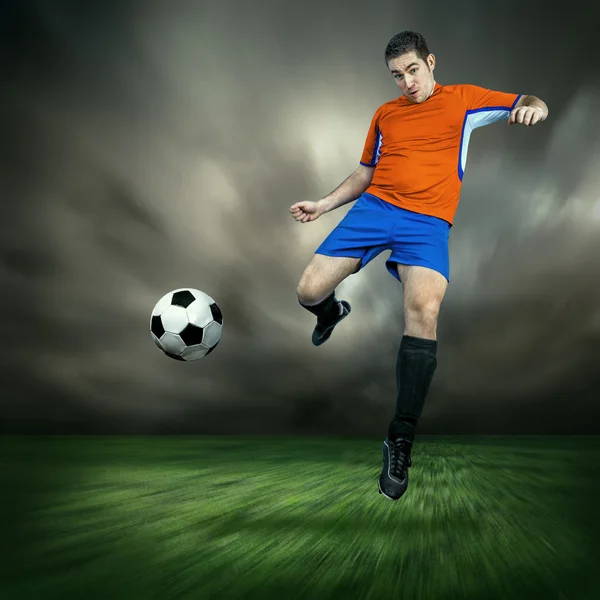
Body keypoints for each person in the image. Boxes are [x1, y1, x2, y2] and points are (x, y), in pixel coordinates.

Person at [289, 30, 548, 501]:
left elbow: (528, 100)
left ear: (430, 61)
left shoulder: (464, 100)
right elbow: (366, 171)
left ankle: (400, 439)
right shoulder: (385, 115)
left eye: (412, 70)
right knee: (307, 290)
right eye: (396, 75)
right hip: (375, 211)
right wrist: (323, 205)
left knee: (424, 311)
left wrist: (533, 107)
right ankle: (330, 313)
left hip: (427, 225)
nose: (406, 82)